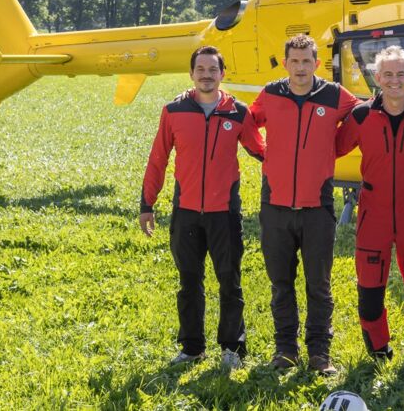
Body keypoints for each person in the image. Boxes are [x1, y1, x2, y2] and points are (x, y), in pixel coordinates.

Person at [139, 46, 265, 368]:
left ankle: (232, 349)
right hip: (186, 212)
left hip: (224, 212)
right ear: (192, 73)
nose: (207, 75)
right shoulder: (174, 110)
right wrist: (147, 203)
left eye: (213, 69)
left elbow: (261, 151)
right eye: (201, 69)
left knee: (229, 280)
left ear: (222, 74)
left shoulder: (237, 112)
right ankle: (192, 347)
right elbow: (158, 158)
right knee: (189, 281)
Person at [249, 34, 360, 375]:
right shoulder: (271, 94)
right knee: (281, 284)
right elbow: (245, 122)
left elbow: (361, 116)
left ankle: (319, 354)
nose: (300, 67)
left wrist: (333, 148)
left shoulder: (334, 96)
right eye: (294, 61)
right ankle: (285, 350)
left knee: (319, 285)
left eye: (306, 61)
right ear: (286, 64)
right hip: (275, 206)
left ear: (316, 63)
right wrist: (264, 154)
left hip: (317, 209)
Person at [335, 46, 404, 366]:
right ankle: (378, 349)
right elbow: (333, 148)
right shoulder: (361, 116)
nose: (394, 80)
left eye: (401, 74)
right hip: (374, 214)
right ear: (377, 77)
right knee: (370, 289)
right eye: (388, 74)